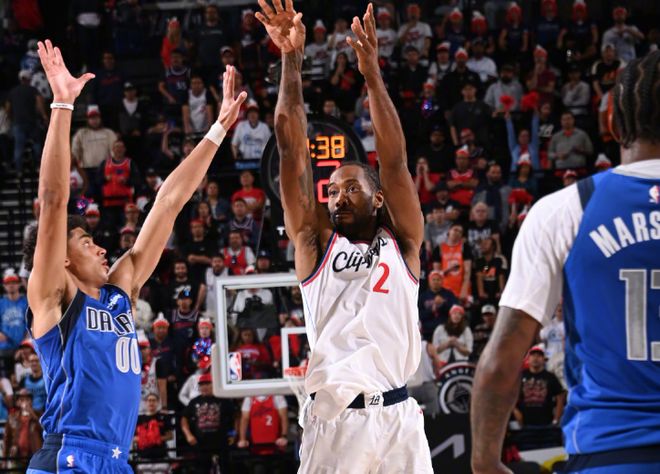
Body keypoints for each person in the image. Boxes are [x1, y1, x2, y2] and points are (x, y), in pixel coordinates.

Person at [22, 41, 246, 473]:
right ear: (62, 259)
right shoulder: (53, 295)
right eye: (86, 242)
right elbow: (52, 200)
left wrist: (217, 130)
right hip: (68, 456)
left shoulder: (119, 292)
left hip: (116, 460)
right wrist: (63, 104)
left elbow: (169, 203)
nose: (101, 247)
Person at [256, 2, 432, 472]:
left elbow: (394, 160)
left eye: (351, 188)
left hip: (399, 418)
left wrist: (372, 75)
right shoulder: (315, 244)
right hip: (337, 421)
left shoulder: (403, 241)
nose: (337, 197)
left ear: (378, 199)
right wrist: (291, 59)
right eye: (332, 191)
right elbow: (291, 146)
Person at [471, 52, 660, 473]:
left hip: (609, 452)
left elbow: (503, 359)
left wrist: (485, 461)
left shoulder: (565, 210)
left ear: (611, 124)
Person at [181, 373, 234, 474]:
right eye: (201, 385)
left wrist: (233, 433)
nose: (204, 387)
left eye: (207, 384)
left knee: (225, 469)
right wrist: (188, 435)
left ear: (213, 384)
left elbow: (235, 416)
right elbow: (184, 418)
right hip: (201, 444)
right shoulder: (194, 402)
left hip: (221, 443)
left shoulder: (223, 400)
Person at [513, 346, 565, 428]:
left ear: (544, 359)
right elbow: (510, 396)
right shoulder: (520, 376)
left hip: (546, 423)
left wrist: (556, 419)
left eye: (539, 356)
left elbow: (560, 397)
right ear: (528, 359)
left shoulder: (550, 377)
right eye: (533, 355)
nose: (535, 358)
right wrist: (515, 412)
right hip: (524, 424)